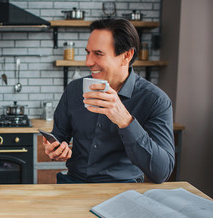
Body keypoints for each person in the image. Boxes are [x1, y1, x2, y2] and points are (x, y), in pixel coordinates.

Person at [43, 18, 175, 184]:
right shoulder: (74, 90)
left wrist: (125, 120)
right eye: (88, 52)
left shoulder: (155, 101)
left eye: (98, 54)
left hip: (123, 189)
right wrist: (54, 148)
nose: (88, 62)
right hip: (73, 185)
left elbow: (162, 172)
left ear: (127, 55)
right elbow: (58, 137)